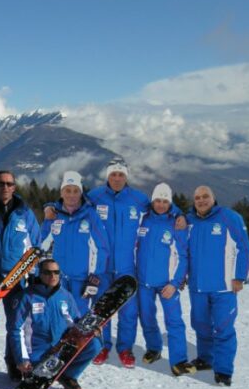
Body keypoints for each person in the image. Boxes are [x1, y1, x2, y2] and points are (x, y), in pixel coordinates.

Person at [0, 170, 41, 378]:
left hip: (16, 277)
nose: (5, 187)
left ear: (14, 187)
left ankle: (15, 364)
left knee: (16, 325)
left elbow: (35, 246)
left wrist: (35, 273)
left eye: (9, 184)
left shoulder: (24, 213)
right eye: (0, 183)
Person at [184, 185, 249, 387]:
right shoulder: (189, 221)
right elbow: (182, 251)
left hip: (224, 287)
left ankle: (223, 371)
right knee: (201, 325)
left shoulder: (229, 217)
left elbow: (245, 248)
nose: (201, 200)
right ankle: (205, 359)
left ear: (213, 198)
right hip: (197, 286)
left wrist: (239, 276)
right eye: (197, 197)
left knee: (223, 329)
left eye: (205, 196)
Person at [86, 161, 149, 368]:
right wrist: (50, 207)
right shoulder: (95, 196)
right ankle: (102, 347)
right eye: (113, 174)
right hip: (102, 266)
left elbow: (161, 207)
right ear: (108, 176)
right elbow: (71, 202)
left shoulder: (138, 198)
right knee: (101, 308)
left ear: (126, 177)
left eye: (121, 175)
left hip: (126, 266)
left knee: (128, 311)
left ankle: (125, 349)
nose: (117, 178)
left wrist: (177, 214)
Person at [11, 257, 101, 389]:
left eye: (56, 272)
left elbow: (76, 323)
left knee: (94, 345)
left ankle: (68, 375)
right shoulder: (27, 297)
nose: (52, 276)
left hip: (60, 347)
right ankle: (30, 371)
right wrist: (21, 358)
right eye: (47, 272)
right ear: (39, 274)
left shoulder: (65, 296)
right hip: (37, 351)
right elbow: (16, 330)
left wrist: (90, 330)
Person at [135, 183, 193, 377]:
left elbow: (183, 256)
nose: (161, 205)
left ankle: (179, 360)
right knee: (147, 317)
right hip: (143, 281)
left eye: (165, 201)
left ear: (170, 203)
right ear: (152, 201)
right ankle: (154, 348)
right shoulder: (143, 220)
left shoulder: (177, 223)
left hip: (167, 284)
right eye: (157, 201)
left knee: (174, 321)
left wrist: (175, 283)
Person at [40, 171, 110, 323]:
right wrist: (47, 220)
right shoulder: (54, 215)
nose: (71, 195)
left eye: (76, 191)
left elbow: (101, 247)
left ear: (81, 193)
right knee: (57, 317)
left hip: (81, 279)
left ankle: (80, 339)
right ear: (61, 192)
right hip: (57, 278)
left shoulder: (90, 215)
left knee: (79, 318)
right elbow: (42, 244)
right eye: (68, 190)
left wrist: (95, 275)